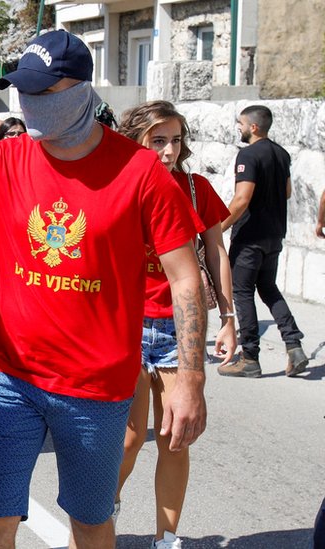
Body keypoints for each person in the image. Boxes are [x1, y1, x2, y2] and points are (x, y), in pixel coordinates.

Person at [0, 30, 208, 549]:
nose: (28, 104)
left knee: (90, 524)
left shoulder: (143, 172)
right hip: (7, 378)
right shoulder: (2, 158)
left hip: (96, 389)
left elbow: (185, 278)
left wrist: (190, 379)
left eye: (43, 92)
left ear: (82, 91)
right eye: (22, 91)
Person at [114, 101, 236, 549]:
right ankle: (104, 510)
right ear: (137, 140)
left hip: (176, 329)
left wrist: (227, 317)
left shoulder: (196, 187)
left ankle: (166, 539)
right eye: (158, 140)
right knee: (127, 439)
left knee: (175, 438)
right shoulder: (118, 184)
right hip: (124, 325)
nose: (168, 151)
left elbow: (217, 251)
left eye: (176, 140)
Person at [219, 105, 309, 378]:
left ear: (253, 127)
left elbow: (241, 199)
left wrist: (217, 227)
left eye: (241, 124)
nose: (239, 127)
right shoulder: (281, 154)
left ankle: (250, 358)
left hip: (250, 237)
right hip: (274, 235)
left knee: (242, 292)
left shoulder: (247, 155)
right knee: (268, 289)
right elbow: (288, 191)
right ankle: (294, 345)